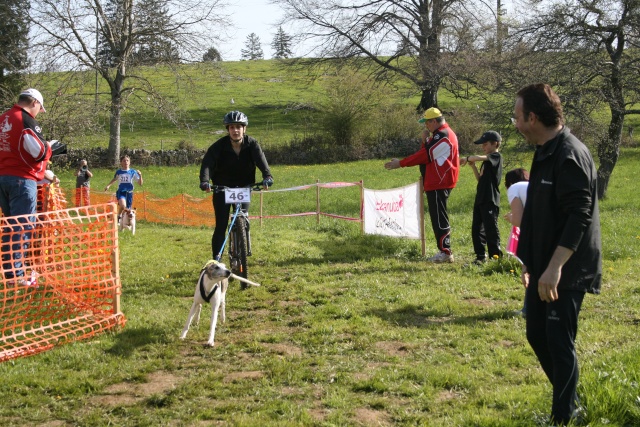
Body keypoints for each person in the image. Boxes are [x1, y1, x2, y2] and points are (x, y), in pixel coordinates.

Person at [513, 83, 602, 425]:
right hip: (543, 266)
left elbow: (580, 214)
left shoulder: (569, 154)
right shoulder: (544, 150)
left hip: (567, 267)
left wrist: (553, 269)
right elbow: (539, 213)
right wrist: (529, 262)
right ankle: (572, 403)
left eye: (518, 116)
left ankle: (563, 417)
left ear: (533, 117)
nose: (516, 123)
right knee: (536, 333)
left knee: (558, 341)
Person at [384, 107, 459, 263]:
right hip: (435, 181)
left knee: (439, 218)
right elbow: (427, 155)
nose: (426, 126)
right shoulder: (438, 135)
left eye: (427, 123)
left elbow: (425, 155)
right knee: (437, 216)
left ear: (434, 121)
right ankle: (444, 250)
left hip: (440, 181)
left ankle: (446, 252)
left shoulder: (443, 136)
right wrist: (424, 141)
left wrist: (401, 163)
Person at [199, 111, 273, 262]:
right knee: (221, 226)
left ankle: (242, 250)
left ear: (244, 129)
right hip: (222, 188)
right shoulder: (218, 147)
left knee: (243, 218)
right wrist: (205, 181)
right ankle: (216, 261)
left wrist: (267, 176)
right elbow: (207, 164)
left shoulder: (252, 144)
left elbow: (261, 160)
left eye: (239, 127)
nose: (235, 130)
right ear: (228, 130)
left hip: (243, 187)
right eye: (232, 127)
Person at [0, 88, 52, 283]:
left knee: (11, 226)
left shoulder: (3, 118)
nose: (39, 112)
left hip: (2, 177)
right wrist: (49, 147)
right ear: (34, 103)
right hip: (22, 179)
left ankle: (9, 272)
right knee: (22, 227)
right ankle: (18, 274)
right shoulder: (26, 120)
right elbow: (38, 152)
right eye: (40, 108)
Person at [460, 130, 504, 263]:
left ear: (495, 144)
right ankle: (480, 256)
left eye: (485, 144)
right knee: (477, 228)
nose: (483, 147)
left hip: (490, 198)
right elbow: (480, 179)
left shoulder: (496, 156)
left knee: (490, 228)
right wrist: (473, 166)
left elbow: (480, 157)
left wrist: (469, 158)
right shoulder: (486, 162)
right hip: (481, 197)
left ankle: (495, 256)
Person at [503, 168, 530, 316]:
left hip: (537, 232)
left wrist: (510, 218)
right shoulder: (535, 186)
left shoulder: (514, 188)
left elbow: (519, 221)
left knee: (530, 268)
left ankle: (528, 309)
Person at [104, 155, 143, 220]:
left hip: (129, 193)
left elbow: (140, 183)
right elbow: (115, 179)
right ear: (121, 163)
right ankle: (119, 217)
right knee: (123, 205)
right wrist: (108, 185)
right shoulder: (119, 172)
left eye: (127, 160)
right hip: (121, 192)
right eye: (124, 161)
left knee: (127, 209)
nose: (126, 162)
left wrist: (140, 175)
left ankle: (125, 221)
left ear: (129, 162)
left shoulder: (133, 172)